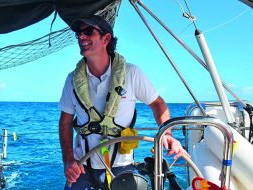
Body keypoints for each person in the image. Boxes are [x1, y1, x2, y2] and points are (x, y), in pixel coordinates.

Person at [58, 15, 185, 190]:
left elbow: (157, 104)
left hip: (121, 166)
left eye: (88, 32)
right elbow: (65, 121)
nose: (81, 37)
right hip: (82, 166)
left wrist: (167, 134)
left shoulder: (131, 73)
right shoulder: (72, 79)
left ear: (106, 38)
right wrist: (68, 160)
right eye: (78, 34)